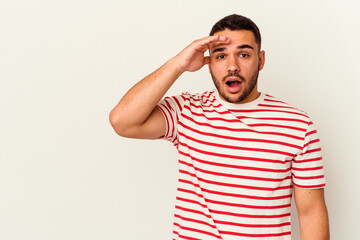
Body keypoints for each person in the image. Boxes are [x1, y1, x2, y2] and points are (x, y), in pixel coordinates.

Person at [109, 14, 329, 240]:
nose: (232, 66)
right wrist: (178, 64)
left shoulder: (297, 125)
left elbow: (311, 212)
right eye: (221, 56)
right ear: (209, 64)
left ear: (261, 60)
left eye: (244, 55)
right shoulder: (188, 111)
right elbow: (122, 121)